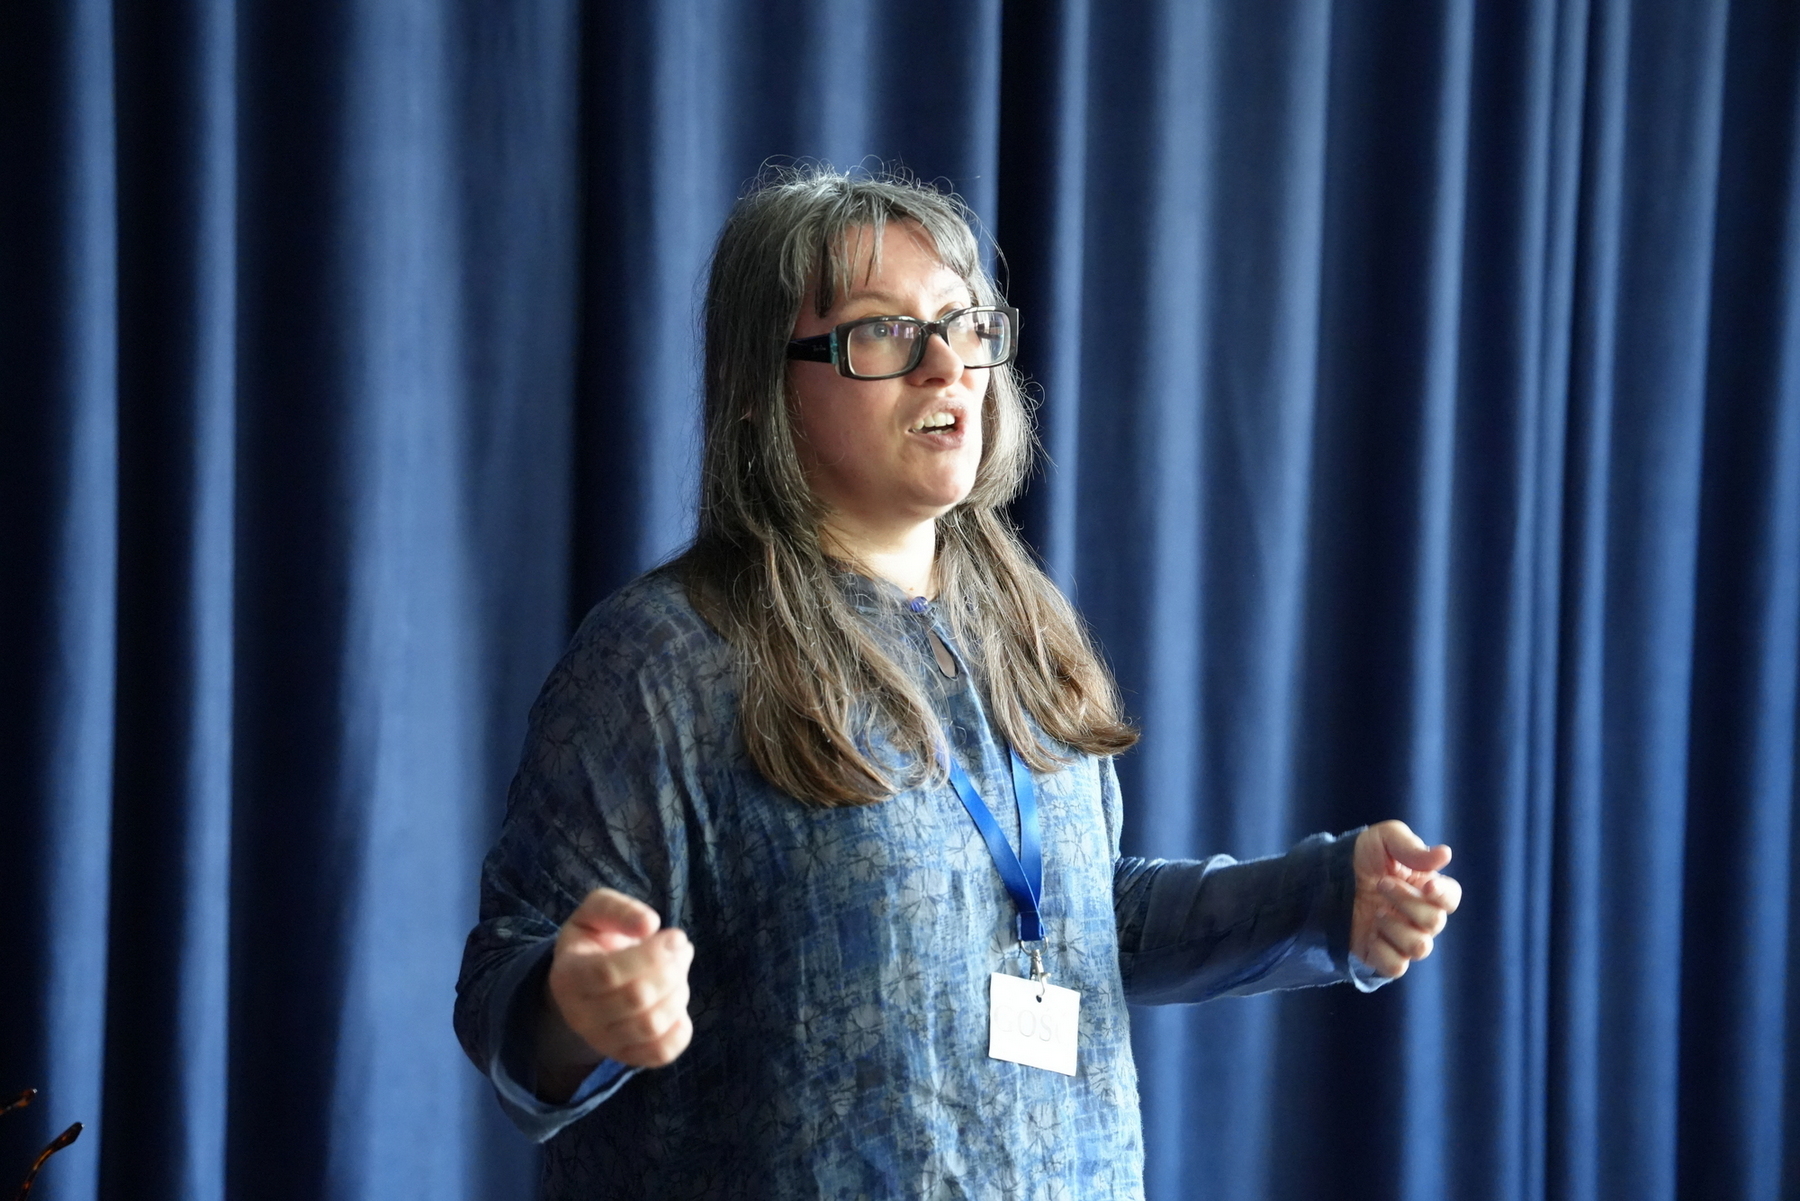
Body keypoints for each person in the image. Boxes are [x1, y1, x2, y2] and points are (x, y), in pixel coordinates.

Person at [454, 166, 1460, 1199]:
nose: (946, 366)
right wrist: (578, 1007)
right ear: (762, 390)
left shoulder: (1020, 619)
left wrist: (1321, 900)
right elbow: (505, 986)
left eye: (963, 323)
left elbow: (1083, 921)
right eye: (885, 332)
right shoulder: (668, 656)